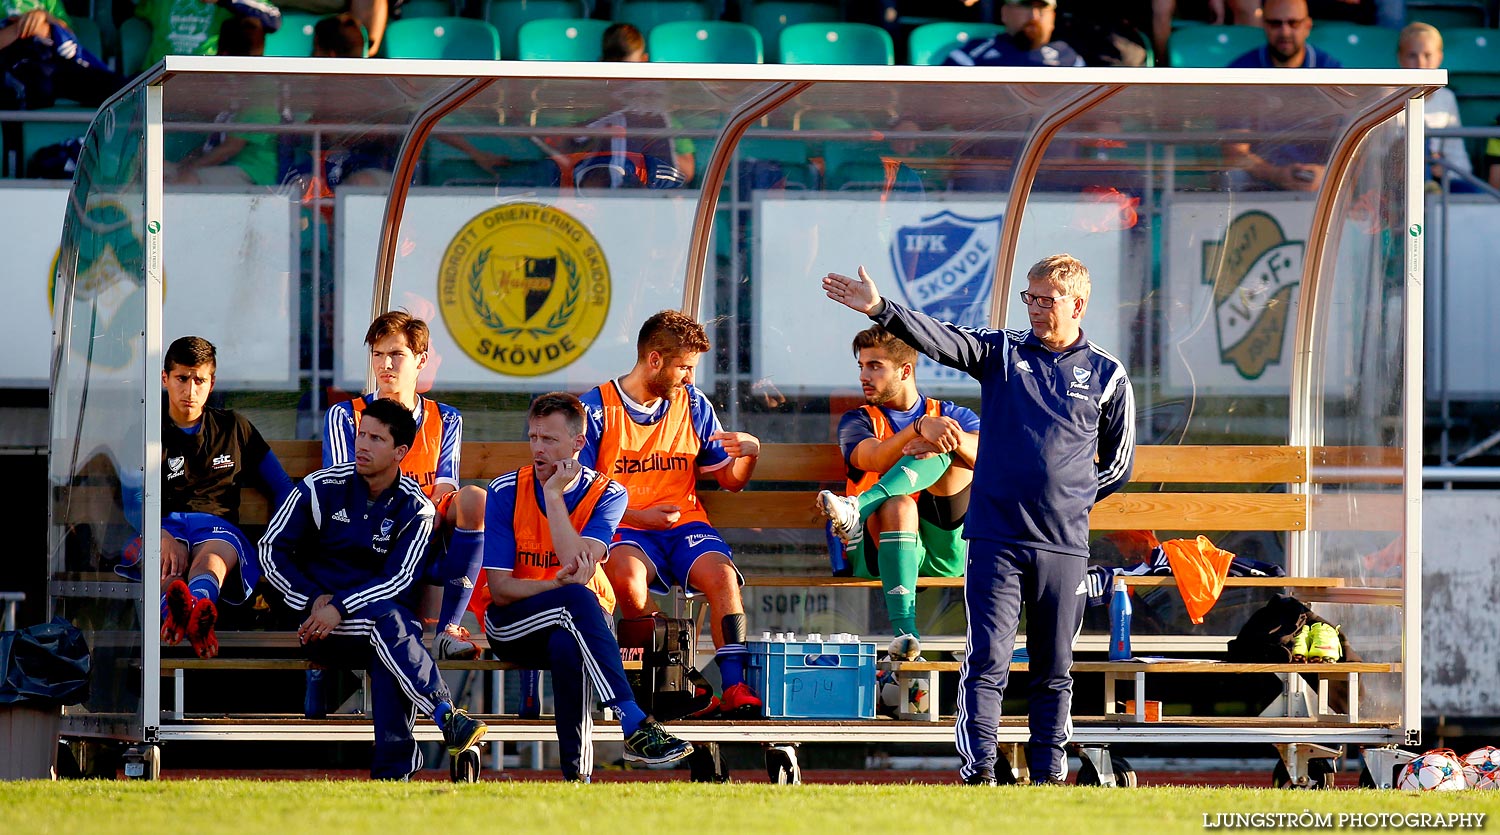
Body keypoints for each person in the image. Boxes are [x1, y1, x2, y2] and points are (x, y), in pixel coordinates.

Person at [822, 255, 1135, 785]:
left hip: (1063, 542)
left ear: (1076, 304)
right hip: (995, 536)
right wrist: (880, 308)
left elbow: (1119, 462)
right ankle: (980, 772)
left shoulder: (1108, 374)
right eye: (1028, 298)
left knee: (1054, 669)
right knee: (986, 660)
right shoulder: (1005, 352)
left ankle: (1047, 775)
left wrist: (1069, 499)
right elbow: (943, 338)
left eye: (1046, 300)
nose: (1035, 309)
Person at [260, 397, 487, 780]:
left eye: (376, 439)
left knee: (389, 637)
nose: (362, 445)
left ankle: (394, 769)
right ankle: (445, 715)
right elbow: (270, 549)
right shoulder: (320, 487)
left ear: (401, 451)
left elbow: (399, 579)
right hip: (319, 624)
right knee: (394, 630)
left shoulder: (417, 509)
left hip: (377, 622)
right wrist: (315, 600)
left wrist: (343, 605)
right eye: (361, 435)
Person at [483, 392, 695, 781]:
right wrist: (554, 588)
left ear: (578, 443)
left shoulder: (610, 494)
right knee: (575, 604)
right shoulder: (504, 491)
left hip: (579, 623)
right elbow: (500, 590)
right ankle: (633, 721)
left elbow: (577, 568)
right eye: (533, 438)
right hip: (513, 622)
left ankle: (577, 781)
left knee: (571, 642)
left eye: (549, 440)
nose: (537, 449)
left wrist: (554, 497)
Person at [580, 310, 764, 717]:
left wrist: (750, 453)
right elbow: (583, 494)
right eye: (684, 366)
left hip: (684, 526)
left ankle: (734, 686)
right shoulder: (594, 409)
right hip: (625, 526)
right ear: (655, 361)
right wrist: (642, 517)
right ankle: (679, 681)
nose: (690, 378)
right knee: (627, 580)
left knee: (723, 577)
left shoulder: (693, 404)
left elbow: (730, 480)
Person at [117, 336, 295, 659]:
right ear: (164, 378)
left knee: (212, 560)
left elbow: (282, 487)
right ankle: (183, 616)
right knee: (165, 566)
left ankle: (191, 614)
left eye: (199, 380)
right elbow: (131, 498)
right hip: (164, 527)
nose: (190, 390)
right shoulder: (144, 431)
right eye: (181, 378)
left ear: (211, 383)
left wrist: (279, 543)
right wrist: (157, 532)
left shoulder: (234, 428)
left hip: (217, 530)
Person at [324, 311, 486, 660]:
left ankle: (448, 629)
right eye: (378, 354)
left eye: (396, 354)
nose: (385, 364)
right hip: (365, 540)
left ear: (421, 360)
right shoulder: (345, 416)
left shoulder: (447, 418)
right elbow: (346, 490)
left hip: (425, 536)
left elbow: (444, 489)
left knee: (475, 499)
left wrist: (418, 523)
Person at [816, 325, 980, 643]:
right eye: (862, 366)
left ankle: (856, 508)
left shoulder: (949, 415)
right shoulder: (858, 420)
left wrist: (948, 437)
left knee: (948, 443)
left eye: (875, 366)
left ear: (905, 371)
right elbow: (874, 458)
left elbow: (992, 458)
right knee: (901, 503)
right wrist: (919, 428)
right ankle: (907, 635)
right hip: (875, 548)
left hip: (941, 549)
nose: (864, 375)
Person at [1222, 0, 1340, 191]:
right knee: (1235, 175)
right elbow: (1235, 152)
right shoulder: (1241, 71)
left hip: (1319, 183)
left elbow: (1354, 143)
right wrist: (1276, 174)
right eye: (1276, 23)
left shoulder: (1331, 71)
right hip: (1260, 179)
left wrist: (1325, 173)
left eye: (1293, 23)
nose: (1285, 32)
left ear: (1307, 26)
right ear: (1263, 24)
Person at [169, 17, 280, 186]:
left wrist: (188, 169)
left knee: (186, 180)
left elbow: (231, 147)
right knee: (158, 174)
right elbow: (214, 142)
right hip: (219, 166)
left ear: (225, 53)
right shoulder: (230, 84)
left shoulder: (261, 87)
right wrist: (184, 164)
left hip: (252, 172)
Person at [0, 0, 121, 110]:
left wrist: (43, 15)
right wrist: (18, 29)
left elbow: (68, 38)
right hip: (12, 67)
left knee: (110, 86)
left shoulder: (49, 2)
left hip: (52, 62)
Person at [1397, 23, 1473, 189]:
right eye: (1412, 55)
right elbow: (1377, 157)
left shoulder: (1446, 99)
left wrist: (1443, 168)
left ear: (1439, 57)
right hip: (1397, 184)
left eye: (1428, 55)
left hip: (1438, 184)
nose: (1420, 63)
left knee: (1476, 193)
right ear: (1400, 58)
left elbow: (1459, 159)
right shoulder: (1387, 98)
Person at [133, 0, 281, 70]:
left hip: (204, 81)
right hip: (155, 79)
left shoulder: (223, 5)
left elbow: (273, 19)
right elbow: (127, 10)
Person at [942, 0, 1085, 68]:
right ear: (1004, 13)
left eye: (1041, 9)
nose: (1034, 17)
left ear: (1053, 18)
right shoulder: (970, 57)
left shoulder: (1069, 57)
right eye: (1025, 6)